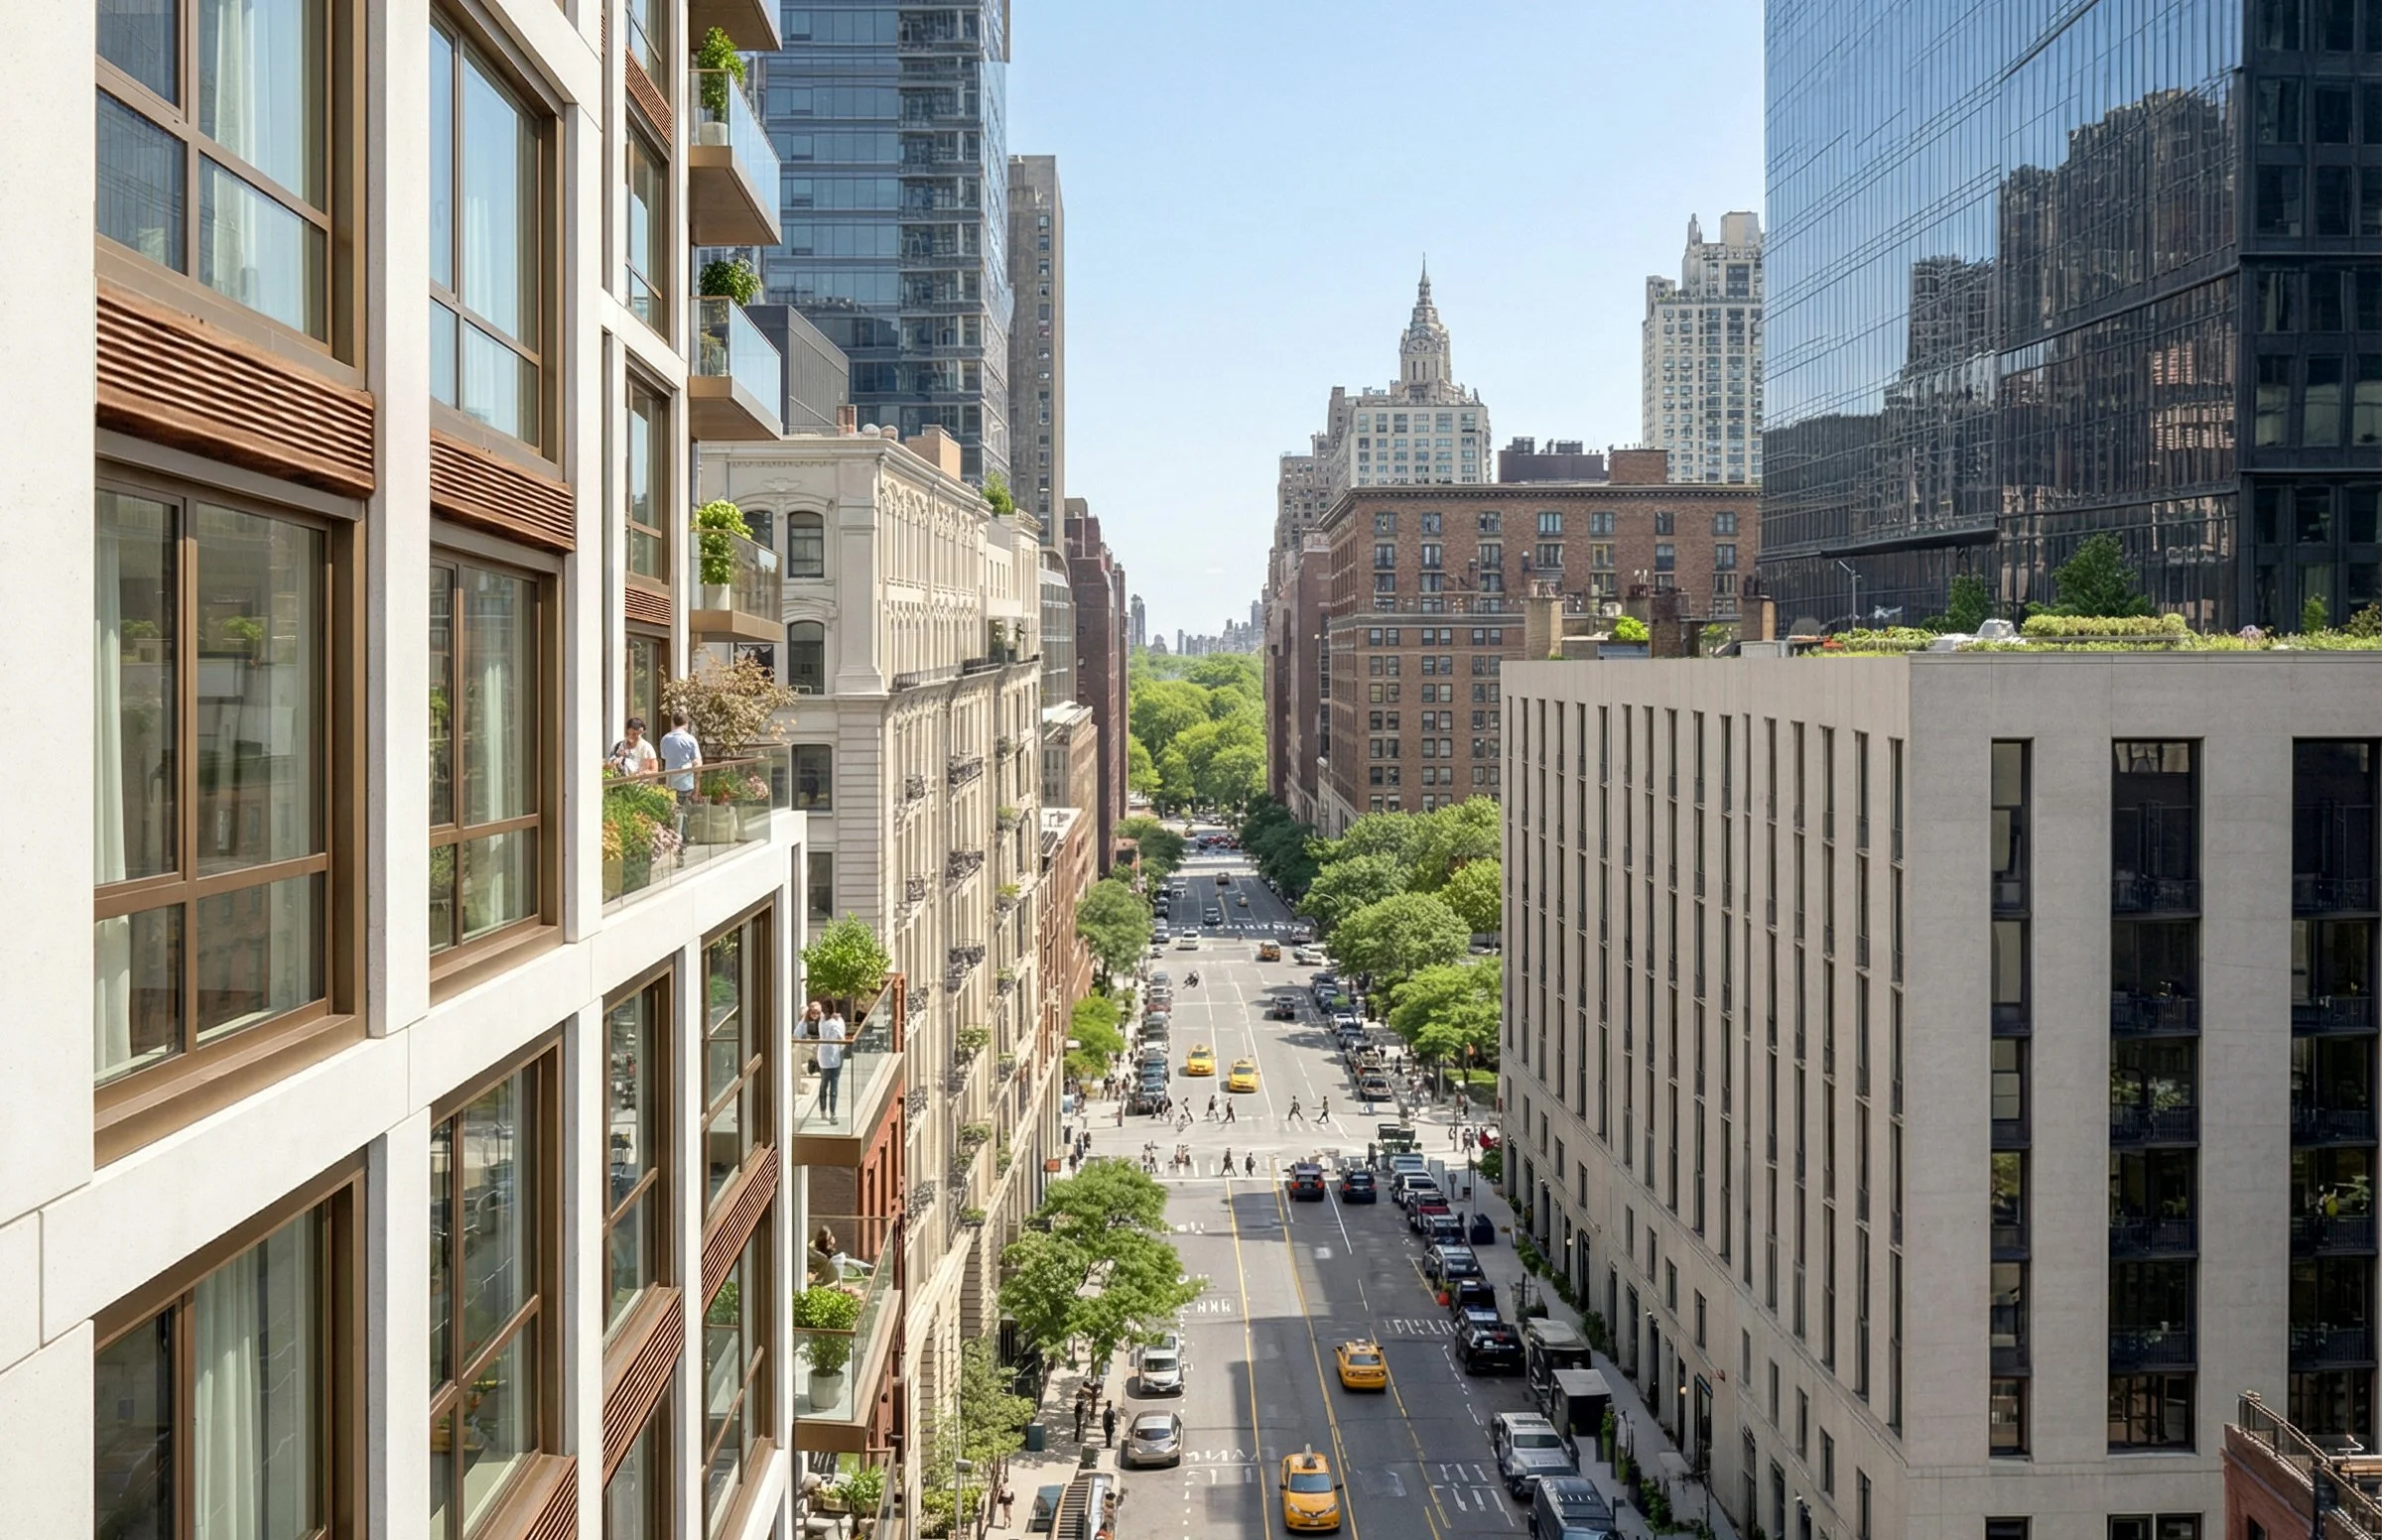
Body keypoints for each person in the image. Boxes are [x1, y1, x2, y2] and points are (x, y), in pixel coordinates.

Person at [659, 710, 703, 801]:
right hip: (686, 782)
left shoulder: (665, 739)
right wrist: (697, 788)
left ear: (672, 723)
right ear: (686, 724)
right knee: (685, 810)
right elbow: (698, 763)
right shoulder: (690, 739)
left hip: (670, 782)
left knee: (673, 810)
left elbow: (664, 757)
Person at [816, 1001, 847, 1118]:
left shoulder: (825, 1022)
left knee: (826, 1084)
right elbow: (842, 1037)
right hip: (830, 1057)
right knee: (830, 1085)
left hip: (827, 1057)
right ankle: (829, 1112)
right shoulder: (830, 1022)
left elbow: (841, 1037)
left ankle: (827, 1112)